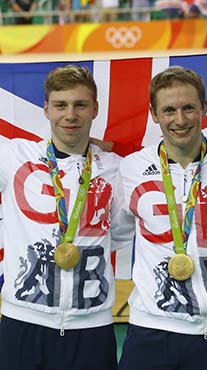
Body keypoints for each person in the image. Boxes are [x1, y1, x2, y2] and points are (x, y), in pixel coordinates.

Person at [115, 65, 207, 370]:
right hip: (149, 326)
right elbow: (113, 232)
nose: (180, 120)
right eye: (169, 110)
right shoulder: (131, 168)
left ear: (204, 107)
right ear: (154, 113)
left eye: (189, 108)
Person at [0, 64, 133, 370]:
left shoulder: (115, 169)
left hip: (91, 325)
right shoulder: (14, 157)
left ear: (95, 109)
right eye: (60, 105)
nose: (70, 115)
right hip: (23, 321)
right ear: (46, 109)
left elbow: (118, 234)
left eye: (80, 105)